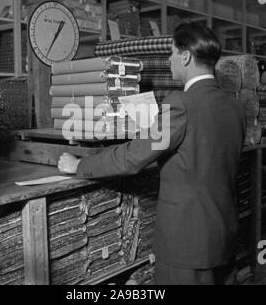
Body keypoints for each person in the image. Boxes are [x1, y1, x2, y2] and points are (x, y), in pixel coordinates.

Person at [58, 23, 246, 285]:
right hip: (224, 233)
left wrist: (78, 165)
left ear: (186, 56)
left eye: (171, 52)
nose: (168, 59)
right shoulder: (235, 107)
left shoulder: (181, 104)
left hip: (187, 244)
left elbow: (133, 157)